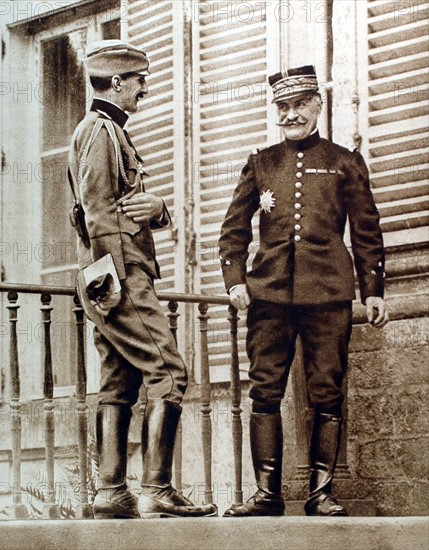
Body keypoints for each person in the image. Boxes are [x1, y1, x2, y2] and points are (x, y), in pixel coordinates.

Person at [218, 65, 389, 517]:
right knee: (265, 389)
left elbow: (367, 230)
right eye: (283, 107)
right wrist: (236, 280)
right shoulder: (261, 162)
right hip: (269, 296)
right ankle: (267, 495)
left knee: (327, 390)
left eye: (299, 105)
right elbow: (233, 230)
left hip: (328, 295)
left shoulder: (344, 161)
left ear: (318, 105)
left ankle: (321, 493)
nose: (291, 115)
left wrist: (372, 290)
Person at [68, 39, 216, 520]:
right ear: (116, 83)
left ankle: (112, 491)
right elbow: (94, 215)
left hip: (112, 273)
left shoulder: (107, 131)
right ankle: (157, 488)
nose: (144, 90)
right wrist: (113, 285)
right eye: (138, 82)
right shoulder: (100, 132)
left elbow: (108, 209)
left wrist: (158, 210)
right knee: (171, 373)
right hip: (122, 274)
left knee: (119, 380)